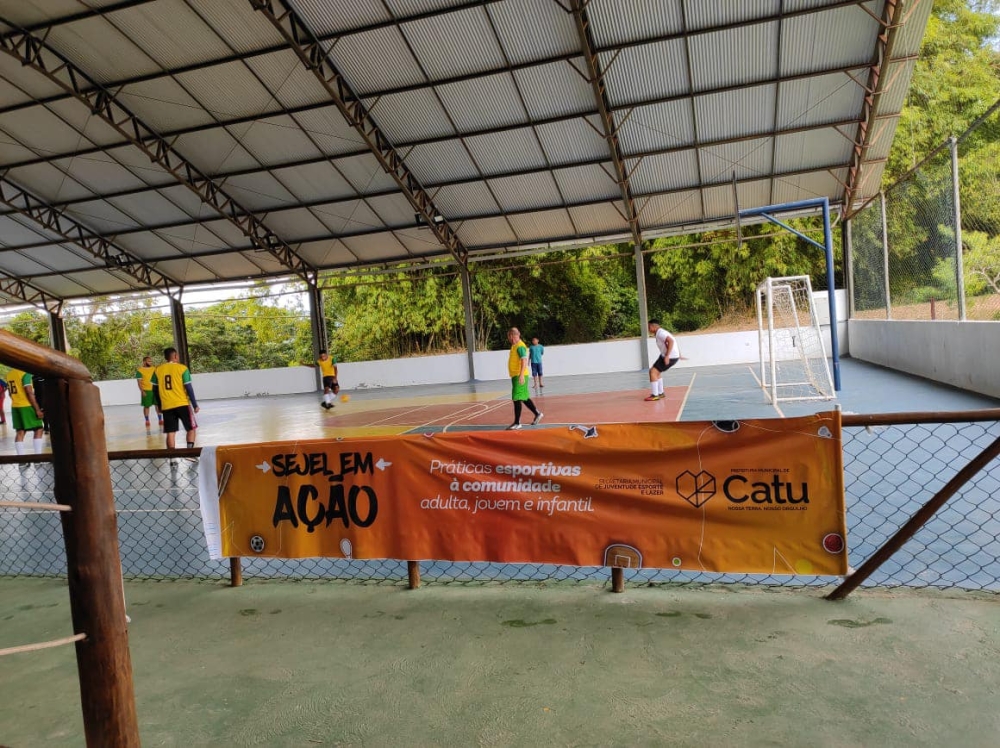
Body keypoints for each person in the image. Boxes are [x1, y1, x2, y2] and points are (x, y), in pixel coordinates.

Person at [151, 348, 200, 450]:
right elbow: (189, 388)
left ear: (165, 357)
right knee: (191, 429)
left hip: (167, 405)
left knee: (170, 433)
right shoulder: (182, 369)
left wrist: (159, 406)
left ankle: (172, 459)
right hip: (182, 403)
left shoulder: (158, 370)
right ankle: (189, 453)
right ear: (176, 356)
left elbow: (155, 390)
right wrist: (195, 404)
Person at [506, 327, 542, 431]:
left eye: (510, 337)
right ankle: (537, 414)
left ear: (514, 336)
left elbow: (524, 361)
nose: (510, 339)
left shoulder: (520, 346)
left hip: (519, 375)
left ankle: (517, 423)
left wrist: (521, 375)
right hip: (516, 375)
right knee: (524, 397)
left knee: (516, 398)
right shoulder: (514, 346)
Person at [6, 368, 44, 454]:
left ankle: (21, 459)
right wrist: (37, 409)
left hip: (15, 406)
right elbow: (29, 392)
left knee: (20, 431)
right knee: (39, 429)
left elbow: (9, 393)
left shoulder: (9, 374)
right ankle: (38, 457)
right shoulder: (25, 374)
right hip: (26, 405)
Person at [646, 319, 680, 401]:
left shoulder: (661, 333)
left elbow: (671, 341)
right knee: (656, 372)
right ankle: (660, 393)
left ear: (653, 326)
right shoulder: (659, 332)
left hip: (670, 356)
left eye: (649, 326)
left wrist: (667, 356)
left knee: (653, 372)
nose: (648, 329)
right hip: (667, 355)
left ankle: (655, 395)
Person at [135, 355, 163, 430]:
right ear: (144, 362)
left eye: (151, 361)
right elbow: (139, 382)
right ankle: (147, 420)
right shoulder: (140, 371)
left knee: (157, 405)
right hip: (146, 391)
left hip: (155, 389)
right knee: (146, 406)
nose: (150, 362)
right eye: (149, 361)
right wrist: (142, 391)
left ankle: (160, 419)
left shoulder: (154, 369)